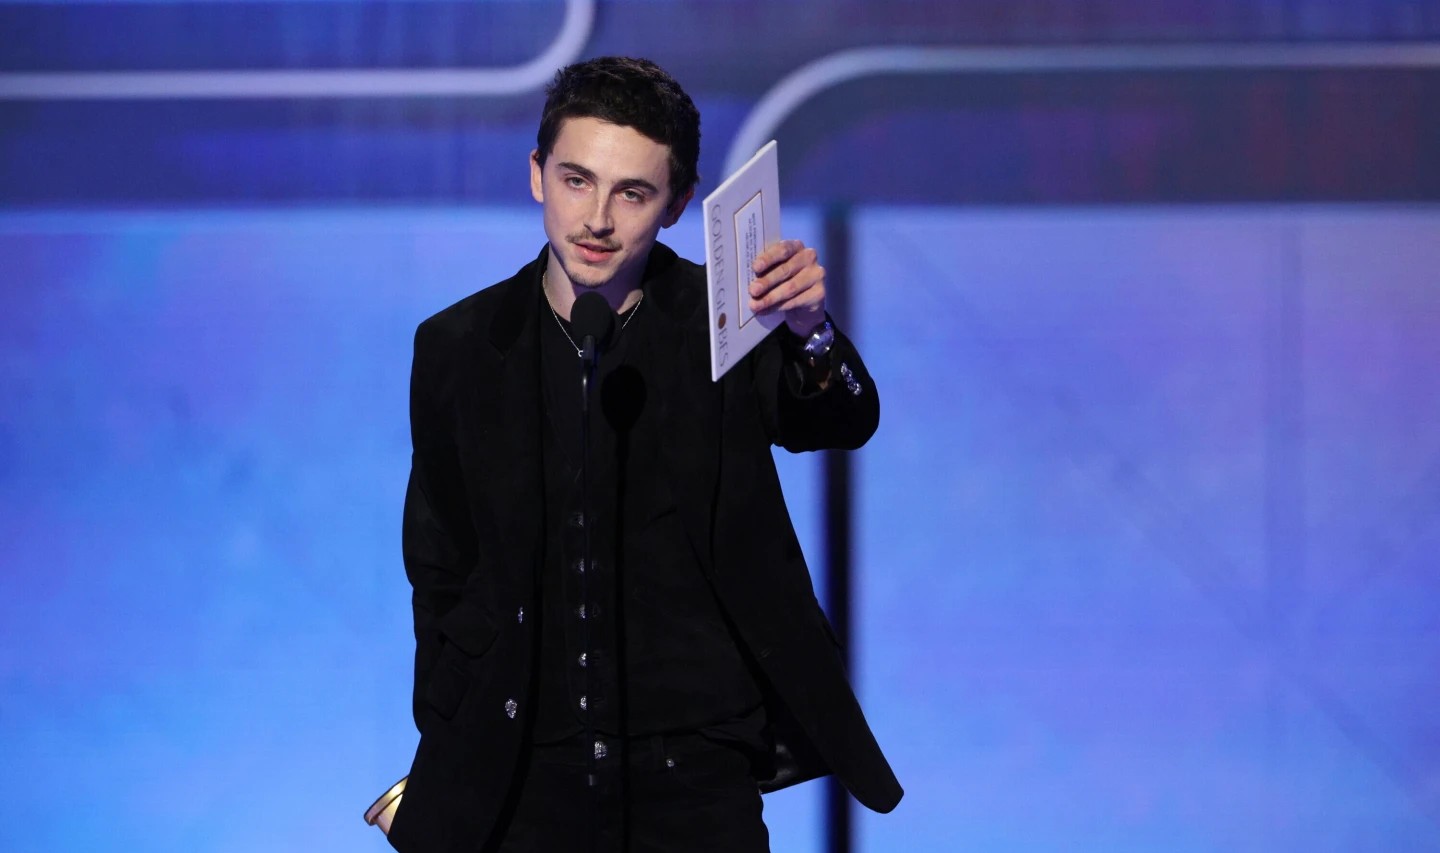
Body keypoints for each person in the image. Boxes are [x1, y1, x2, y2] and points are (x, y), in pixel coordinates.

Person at [386, 56, 901, 853]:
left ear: (678, 203)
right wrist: (453, 733)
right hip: (525, 773)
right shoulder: (458, 345)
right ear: (537, 175)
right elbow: (440, 562)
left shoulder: (724, 321)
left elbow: (839, 419)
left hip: (693, 772)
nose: (596, 219)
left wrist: (810, 331)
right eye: (577, 181)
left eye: (632, 193)